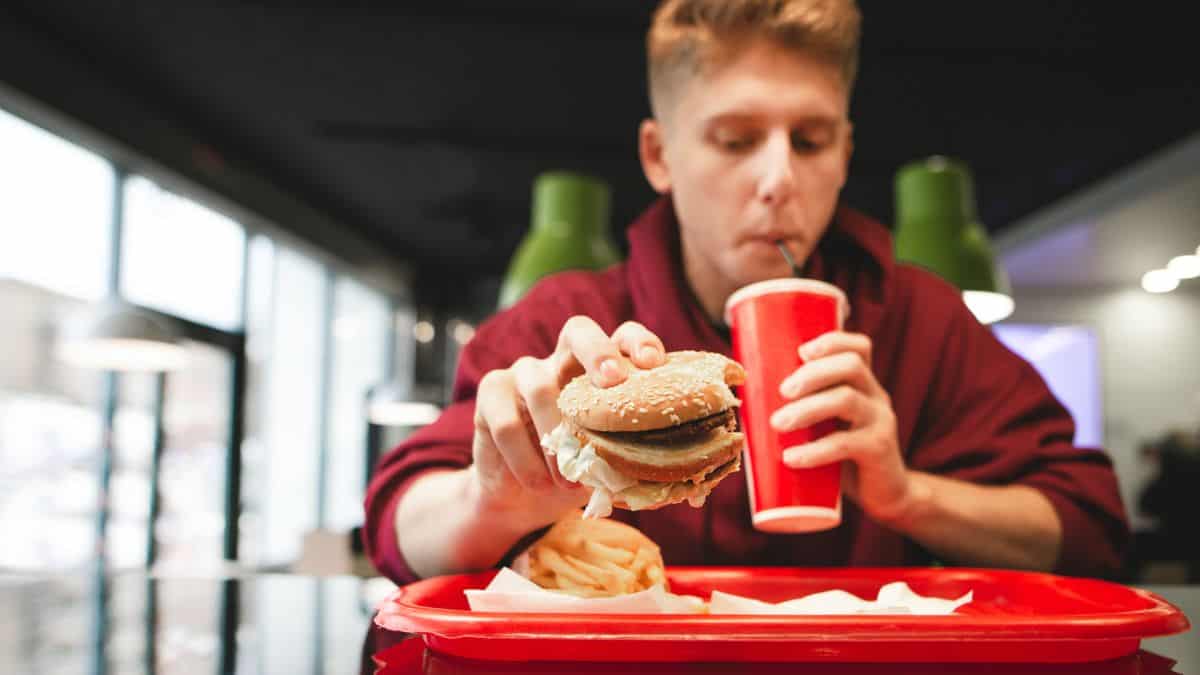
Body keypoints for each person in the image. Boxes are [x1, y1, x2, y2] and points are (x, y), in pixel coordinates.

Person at [363, 0, 1129, 585]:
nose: (778, 181)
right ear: (659, 157)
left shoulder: (922, 318)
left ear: (845, 153)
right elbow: (397, 523)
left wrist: (908, 495)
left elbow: (1092, 529)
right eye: (735, 140)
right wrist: (497, 498)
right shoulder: (570, 320)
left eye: (810, 140)